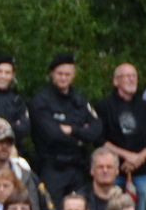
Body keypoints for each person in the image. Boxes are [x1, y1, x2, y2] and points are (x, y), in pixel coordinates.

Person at [29, 53, 104, 202]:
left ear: (73, 75)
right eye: (60, 74)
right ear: (52, 74)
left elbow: (96, 130)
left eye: (67, 74)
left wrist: (72, 130)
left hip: (78, 167)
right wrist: (81, 136)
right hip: (53, 167)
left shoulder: (79, 100)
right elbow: (53, 135)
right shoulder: (42, 101)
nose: (63, 78)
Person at [96, 63, 146, 210]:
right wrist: (127, 156)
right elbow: (99, 138)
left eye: (134, 76)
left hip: (141, 171)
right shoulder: (104, 106)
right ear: (116, 81)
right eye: (127, 76)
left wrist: (139, 158)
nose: (132, 79)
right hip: (112, 171)